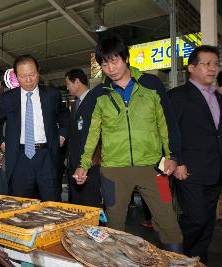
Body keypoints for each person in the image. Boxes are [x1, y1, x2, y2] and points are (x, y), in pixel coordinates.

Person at [73, 35, 183, 252]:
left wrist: (173, 155)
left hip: (154, 168)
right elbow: (92, 133)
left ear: (126, 58)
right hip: (114, 171)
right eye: (105, 64)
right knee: (115, 225)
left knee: (168, 221)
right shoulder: (99, 94)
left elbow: (166, 123)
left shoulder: (151, 85)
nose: (110, 68)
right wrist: (83, 164)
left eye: (114, 61)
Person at [169, 45, 222, 263]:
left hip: (215, 170)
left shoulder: (219, 99)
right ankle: (183, 257)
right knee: (196, 219)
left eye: (216, 64)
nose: (213, 69)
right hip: (189, 170)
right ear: (191, 68)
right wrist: (177, 161)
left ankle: (199, 260)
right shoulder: (177, 96)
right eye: (206, 64)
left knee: (208, 221)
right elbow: (171, 133)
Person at [0, 54, 70, 201]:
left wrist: (62, 136)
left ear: (38, 72)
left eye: (32, 75)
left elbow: (65, 117)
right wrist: (2, 144)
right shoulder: (8, 98)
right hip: (20, 158)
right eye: (23, 76)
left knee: (51, 203)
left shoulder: (52, 95)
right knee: (21, 204)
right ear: (16, 76)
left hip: (47, 156)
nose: (28, 80)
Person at [65, 69, 102, 207]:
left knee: (90, 200)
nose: (67, 88)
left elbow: (96, 133)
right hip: (75, 160)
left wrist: (94, 157)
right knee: (78, 201)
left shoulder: (94, 100)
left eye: (68, 84)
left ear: (77, 82)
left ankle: (95, 227)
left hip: (90, 161)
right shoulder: (75, 104)